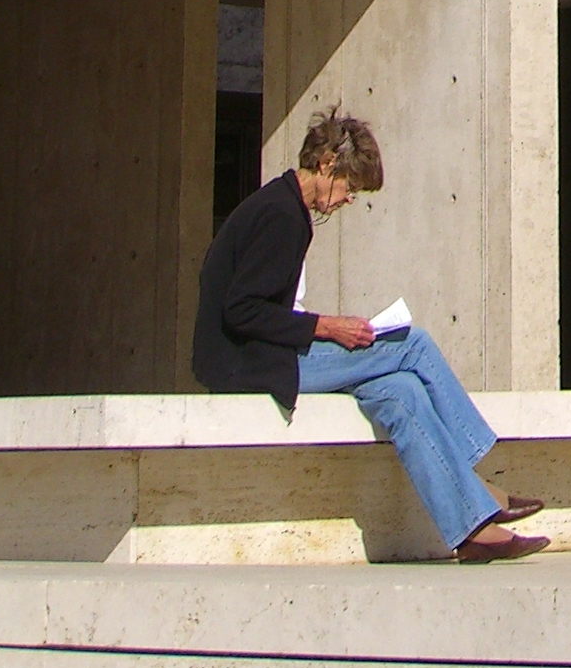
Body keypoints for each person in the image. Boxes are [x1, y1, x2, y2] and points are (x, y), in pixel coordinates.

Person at [193, 108, 548, 563]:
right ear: (326, 165)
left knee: (399, 391)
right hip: (253, 365)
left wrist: (325, 328)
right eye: (350, 186)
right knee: (413, 344)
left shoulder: (282, 207)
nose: (348, 199)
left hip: (266, 356)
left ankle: (471, 532)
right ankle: (477, 479)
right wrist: (326, 326)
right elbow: (242, 310)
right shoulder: (282, 214)